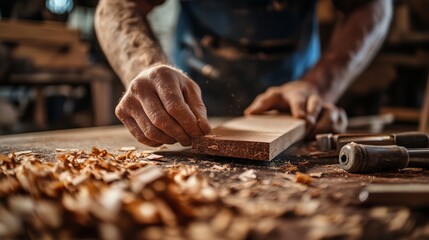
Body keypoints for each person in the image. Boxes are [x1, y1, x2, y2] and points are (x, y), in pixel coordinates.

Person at [94, 0, 392, 147]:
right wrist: (145, 66)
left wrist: (319, 85)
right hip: (194, 97)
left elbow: (371, 5)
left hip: (294, 97)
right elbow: (117, 5)